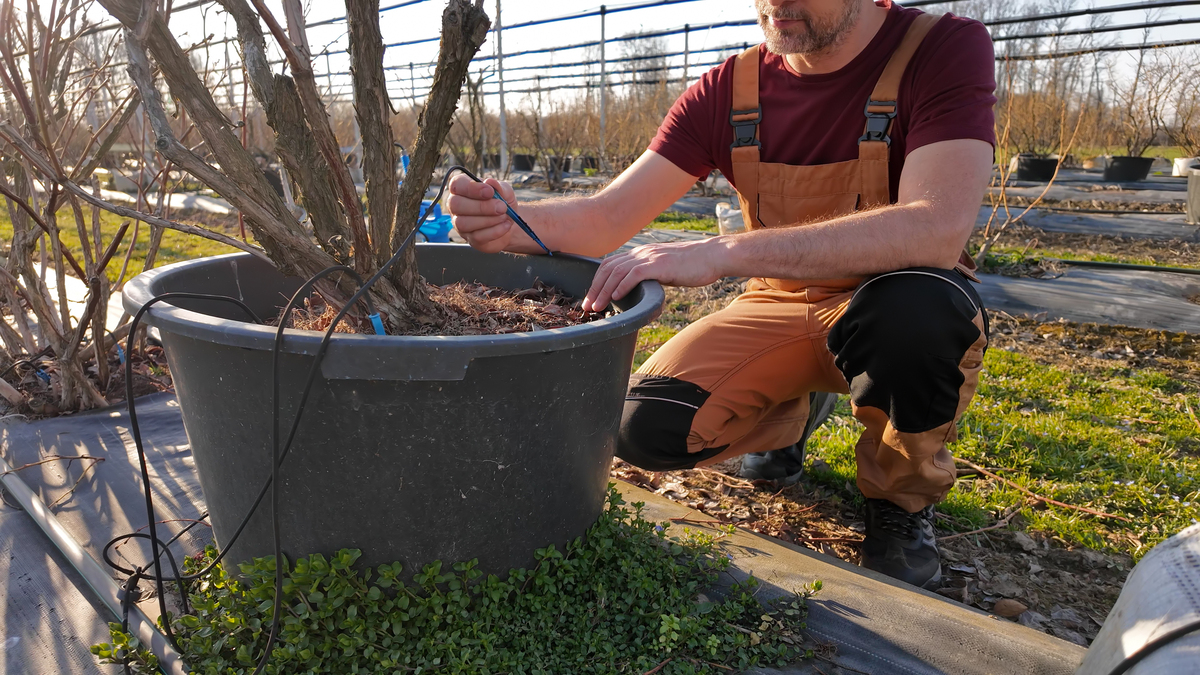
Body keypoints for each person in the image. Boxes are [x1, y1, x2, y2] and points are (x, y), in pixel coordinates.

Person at [447, 0, 996, 590]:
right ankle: (795, 414)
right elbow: (608, 215)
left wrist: (721, 252)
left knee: (919, 314)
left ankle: (899, 503)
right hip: (778, 304)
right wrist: (511, 222)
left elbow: (935, 227)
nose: (776, 2)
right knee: (641, 427)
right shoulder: (730, 91)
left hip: (891, 303)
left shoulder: (938, 49)